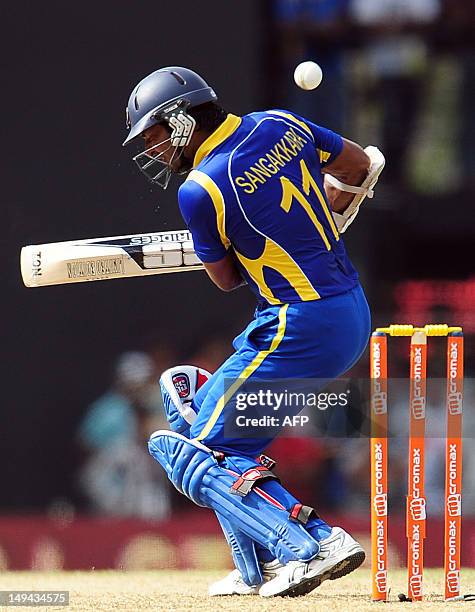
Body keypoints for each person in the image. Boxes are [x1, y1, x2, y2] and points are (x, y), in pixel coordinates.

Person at [122, 66, 382, 597]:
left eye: (153, 136)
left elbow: (224, 277)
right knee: (196, 416)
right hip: (349, 313)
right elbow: (359, 164)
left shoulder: (200, 190)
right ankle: (255, 568)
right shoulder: (280, 124)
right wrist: (334, 208)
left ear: (179, 122)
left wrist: (213, 240)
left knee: (195, 454)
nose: (152, 151)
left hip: (299, 322)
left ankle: (313, 544)